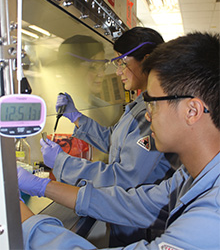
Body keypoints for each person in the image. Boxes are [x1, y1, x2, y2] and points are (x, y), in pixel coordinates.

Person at [18, 31, 220, 249]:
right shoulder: (189, 175)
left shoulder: (212, 216)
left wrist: (29, 224)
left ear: (192, 111)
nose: (147, 115)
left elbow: (125, 180)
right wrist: (43, 187)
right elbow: (135, 204)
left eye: (153, 103)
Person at [41, 27, 179, 245]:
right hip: (125, 218)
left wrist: (63, 164)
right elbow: (114, 140)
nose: (117, 72)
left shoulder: (153, 111)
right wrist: (77, 118)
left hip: (142, 226)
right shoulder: (139, 105)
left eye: (122, 63)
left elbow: (125, 177)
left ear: (146, 60)